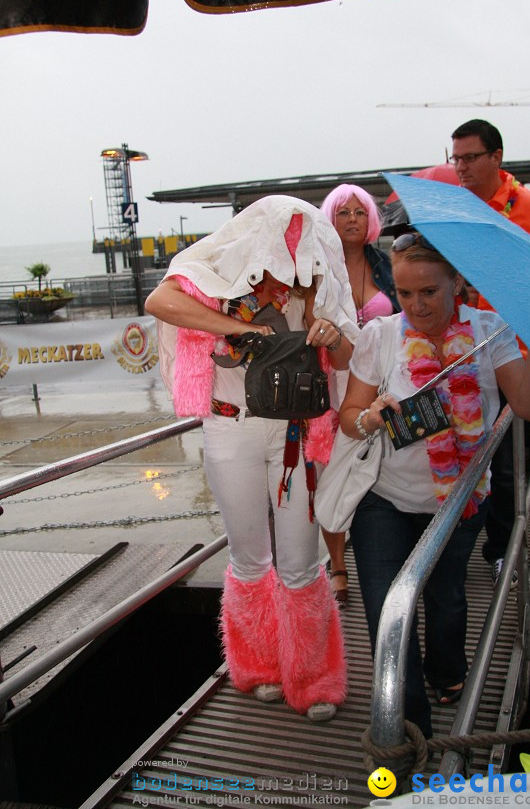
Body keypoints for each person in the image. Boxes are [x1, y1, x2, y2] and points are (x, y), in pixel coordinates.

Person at [145, 195, 359, 722]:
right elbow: (160, 301)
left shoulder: (315, 283)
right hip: (229, 427)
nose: (290, 245)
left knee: (301, 561)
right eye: (282, 233)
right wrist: (236, 327)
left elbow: (349, 354)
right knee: (247, 556)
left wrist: (330, 334)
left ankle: (314, 678)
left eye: (300, 235)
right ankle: (259, 667)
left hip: (296, 433)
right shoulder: (215, 271)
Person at [339, 231, 530, 737]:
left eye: (428, 291)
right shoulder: (381, 336)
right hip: (383, 500)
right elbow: (347, 416)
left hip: (459, 501)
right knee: (387, 611)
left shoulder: (490, 331)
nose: (415, 305)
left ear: (457, 281)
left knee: (447, 597)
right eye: (405, 292)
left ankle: (447, 670)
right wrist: (370, 416)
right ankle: (410, 729)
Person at [450, 119, 530, 585]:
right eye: (455, 158)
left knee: (506, 461)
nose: (461, 167)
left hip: (517, 350)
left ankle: (501, 545)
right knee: (467, 447)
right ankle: (465, 537)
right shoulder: (458, 212)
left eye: (470, 158)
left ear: (497, 157)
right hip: (467, 349)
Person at [318, 184, 400, 602]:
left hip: (382, 381)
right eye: (343, 212)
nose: (352, 219)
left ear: (371, 220)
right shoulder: (318, 271)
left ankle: (381, 543)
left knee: (380, 465)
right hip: (334, 384)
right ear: (329, 221)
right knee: (332, 471)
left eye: (360, 212)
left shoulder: (387, 265)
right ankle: (336, 562)